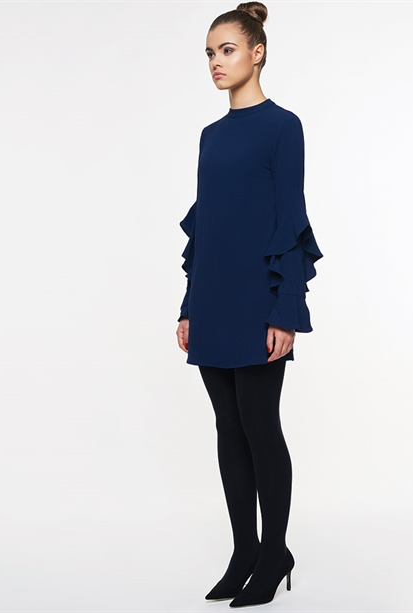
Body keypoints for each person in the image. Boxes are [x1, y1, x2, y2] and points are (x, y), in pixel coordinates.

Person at [174, 2, 323, 607]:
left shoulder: (283, 127)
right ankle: (244, 552)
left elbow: (291, 219)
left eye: (227, 49)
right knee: (227, 428)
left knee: (261, 426)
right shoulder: (210, 136)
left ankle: (275, 551)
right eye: (210, 53)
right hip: (212, 301)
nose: (216, 62)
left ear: (257, 53)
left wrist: (285, 308)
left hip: (259, 300)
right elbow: (206, 227)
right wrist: (188, 304)